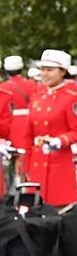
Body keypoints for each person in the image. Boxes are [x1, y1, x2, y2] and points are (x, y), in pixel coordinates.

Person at [26, 49, 77, 206]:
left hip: (59, 162)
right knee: (35, 211)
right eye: (42, 69)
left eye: (50, 70)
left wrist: (60, 141)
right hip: (37, 161)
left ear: (62, 72)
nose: (44, 74)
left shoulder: (71, 97)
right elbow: (28, 133)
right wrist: (26, 164)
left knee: (59, 211)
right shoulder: (36, 97)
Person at [1, 54, 39, 182]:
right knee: (22, 158)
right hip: (27, 122)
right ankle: (20, 191)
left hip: (9, 123)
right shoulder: (32, 85)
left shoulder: (3, 87)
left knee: (9, 156)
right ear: (21, 68)